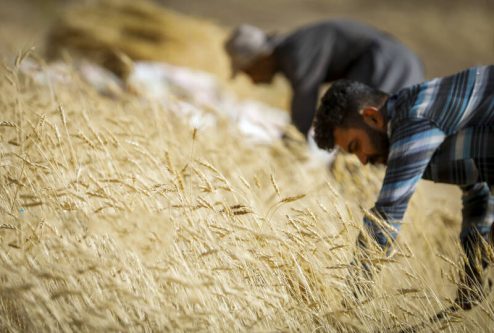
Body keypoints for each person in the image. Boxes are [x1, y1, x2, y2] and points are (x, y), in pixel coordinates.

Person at [312, 65, 494, 309]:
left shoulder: (413, 119)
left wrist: (350, 307)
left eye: (356, 146)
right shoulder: (427, 116)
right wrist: (474, 271)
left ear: (372, 117)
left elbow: (385, 219)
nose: (363, 161)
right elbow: (478, 194)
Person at [224, 20, 424, 137]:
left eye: (247, 70)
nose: (251, 79)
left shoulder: (295, 53)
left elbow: (305, 101)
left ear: (262, 57)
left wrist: (293, 144)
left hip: (388, 64)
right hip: (401, 62)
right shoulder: (293, 51)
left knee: (358, 133)